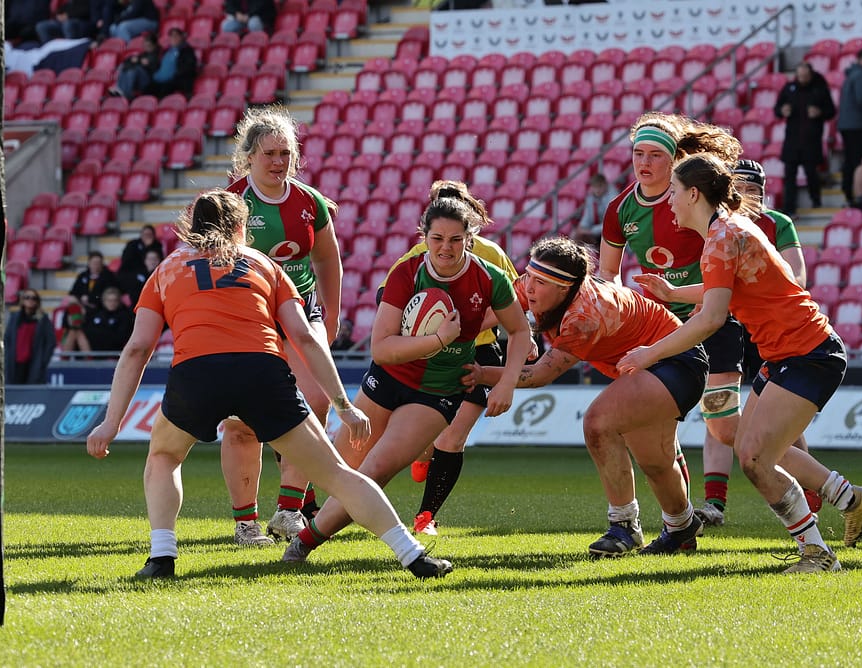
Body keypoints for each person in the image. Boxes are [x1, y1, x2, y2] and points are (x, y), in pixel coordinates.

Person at [85, 190, 452, 580]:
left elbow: (138, 347)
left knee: (163, 457)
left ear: (191, 228)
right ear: (242, 227)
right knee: (338, 475)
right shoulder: (263, 263)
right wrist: (343, 405)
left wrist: (111, 423)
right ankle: (412, 555)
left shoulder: (167, 269)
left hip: (196, 373)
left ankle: (161, 558)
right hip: (261, 371)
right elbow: (306, 338)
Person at [617, 153, 862, 572]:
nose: (670, 202)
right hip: (791, 352)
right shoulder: (725, 232)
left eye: (675, 193)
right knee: (751, 446)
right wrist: (672, 293)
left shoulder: (722, 238)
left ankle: (817, 554)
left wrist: (652, 352)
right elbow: (727, 290)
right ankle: (851, 501)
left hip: (807, 353)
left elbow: (712, 318)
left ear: (693, 193)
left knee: (755, 458)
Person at [280, 196, 532, 564]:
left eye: (456, 239)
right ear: (424, 237)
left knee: (375, 470)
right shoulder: (406, 272)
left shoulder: (489, 278)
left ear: (470, 238)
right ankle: (306, 510)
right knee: (338, 467)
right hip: (388, 379)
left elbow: (520, 331)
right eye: (438, 238)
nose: (446, 247)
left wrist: (507, 382)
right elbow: (381, 349)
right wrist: (439, 340)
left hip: (438, 392)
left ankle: (304, 541)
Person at [469, 236, 709, 556]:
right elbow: (488, 316)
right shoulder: (537, 285)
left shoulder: (584, 314)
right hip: (651, 364)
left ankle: (623, 527)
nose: (528, 288)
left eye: (540, 282)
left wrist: (480, 374)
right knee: (656, 464)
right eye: (529, 276)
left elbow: (541, 373)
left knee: (598, 423)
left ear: (564, 289)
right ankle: (682, 528)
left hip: (676, 360)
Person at [599, 111, 740, 542]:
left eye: (655, 155)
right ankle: (679, 523)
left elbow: (725, 264)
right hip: (660, 326)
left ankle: (820, 488)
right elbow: (609, 278)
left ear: (675, 158)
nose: (644, 163)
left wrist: (679, 293)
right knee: (658, 428)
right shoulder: (620, 208)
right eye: (637, 153)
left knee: (726, 424)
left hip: (711, 315)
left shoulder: (693, 199)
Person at [219, 106, 344, 546]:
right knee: (241, 422)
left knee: (314, 403)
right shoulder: (231, 204)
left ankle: (289, 511)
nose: (278, 161)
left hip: (301, 311)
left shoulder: (310, 202)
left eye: (285, 153)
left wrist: (333, 311)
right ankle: (245, 523)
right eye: (269, 152)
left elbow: (327, 258)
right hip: (248, 319)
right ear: (248, 156)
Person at [385, 180, 523, 537]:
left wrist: (476, 324)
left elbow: (516, 303)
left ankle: (426, 516)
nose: (445, 243)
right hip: (434, 353)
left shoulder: (491, 255)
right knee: (432, 435)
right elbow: (390, 304)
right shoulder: (415, 259)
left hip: (478, 350)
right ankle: (421, 452)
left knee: (454, 436)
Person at [694, 158, 814, 526]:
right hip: (728, 327)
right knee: (719, 412)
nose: (747, 195)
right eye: (740, 188)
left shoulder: (777, 224)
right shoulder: (718, 225)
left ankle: (813, 495)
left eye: (754, 189)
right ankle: (714, 504)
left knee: (787, 426)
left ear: (763, 192)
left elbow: (797, 276)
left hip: (769, 329)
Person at [773, 62, 836, 216]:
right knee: (789, 175)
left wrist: (819, 112)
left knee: (811, 173)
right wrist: (782, 111)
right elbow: (777, 109)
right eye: (800, 76)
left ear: (811, 75)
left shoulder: (820, 89)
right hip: (792, 140)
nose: (802, 79)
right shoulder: (789, 89)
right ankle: (789, 208)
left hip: (811, 140)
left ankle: (816, 200)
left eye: (805, 76)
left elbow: (831, 111)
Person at [838, 48, 862, 208]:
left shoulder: (851, 75)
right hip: (858, 125)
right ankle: (857, 197)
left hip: (848, 124)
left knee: (851, 161)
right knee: (859, 162)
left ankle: (849, 194)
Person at [4, 289, 57, 384]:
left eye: (34, 298)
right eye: (27, 297)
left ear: (38, 301)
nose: (30, 300)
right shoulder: (15, 317)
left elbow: (51, 342)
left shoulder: (43, 319)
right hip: (14, 363)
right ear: (22, 300)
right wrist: (7, 358)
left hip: (34, 363)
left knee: (32, 395)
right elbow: (7, 339)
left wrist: (43, 361)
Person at [83, 286, 135, 356]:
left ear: (118, 301)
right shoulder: (97, 314)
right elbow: (87, 331)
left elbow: (120, 337)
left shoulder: (124, 316)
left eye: (115, 300)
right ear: (104, 301)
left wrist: (100, 334)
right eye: (109, 300)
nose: (112, 303)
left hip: (115, 353)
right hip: (95, 352)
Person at [109, 32, 160, 100]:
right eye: (145, 46)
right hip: (139, 79)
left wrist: (139, 61)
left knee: (134, 70)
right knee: (125, 66)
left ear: (154, 45)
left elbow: (151, 66)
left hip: (149, 82)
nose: (146, 48)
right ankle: (119, 89)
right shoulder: (144, 54)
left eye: (149, 46)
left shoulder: (156, 55)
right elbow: (133, 60)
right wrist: (138, 61)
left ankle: (127, 94)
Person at [573, 174, 618, 249]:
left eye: (599, 186)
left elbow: (611, 223)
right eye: (594, 187)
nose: (597, 190)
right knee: (576, 235)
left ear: (605, 185)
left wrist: (591, 231)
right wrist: (582, 227)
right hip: (598, 230)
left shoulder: (613, 197)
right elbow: (587, 217)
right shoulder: (590, 197)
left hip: (614, 230)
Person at [69, 250, 121, 314]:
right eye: (94, 263)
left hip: (99, 305)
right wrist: (80, 301)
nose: (96, 265)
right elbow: (73, 293)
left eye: (98, 263)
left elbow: (108, 294)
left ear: (102, 263)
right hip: (82, 305)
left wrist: (90, 298)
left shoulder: (108, 276)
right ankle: (75, 323)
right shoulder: (83, 276)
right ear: (89, 263)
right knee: (72, 303)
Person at [117, 224, 164, 291]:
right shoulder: (132, 245)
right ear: (141, 235)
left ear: (153, 236)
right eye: (145, 234)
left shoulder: (157, 245)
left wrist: (149, 247)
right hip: (131, 272)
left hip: (150, 273)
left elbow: (159, 261)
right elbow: (126, 261)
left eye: (149, 234)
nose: (147, 236)